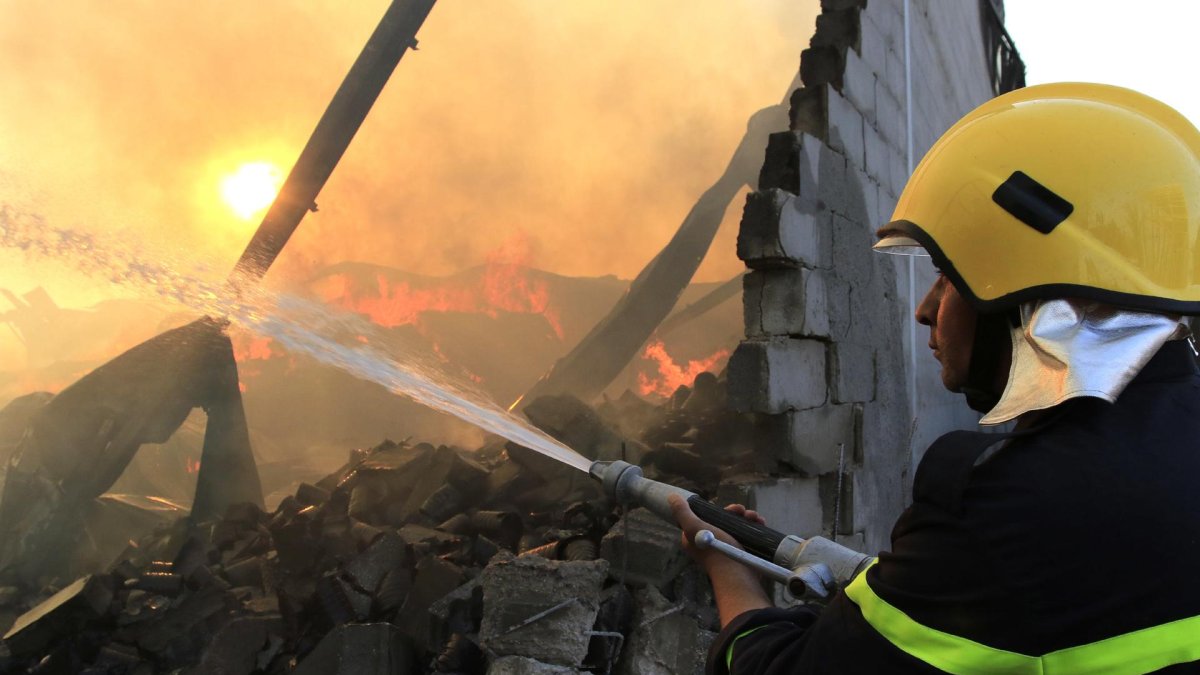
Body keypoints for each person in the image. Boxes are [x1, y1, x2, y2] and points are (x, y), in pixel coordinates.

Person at [670, 82, 1200, 674]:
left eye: (947, 278)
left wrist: (730, 570)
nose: (925, 309)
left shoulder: (1009, 507)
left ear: (1027, 297)